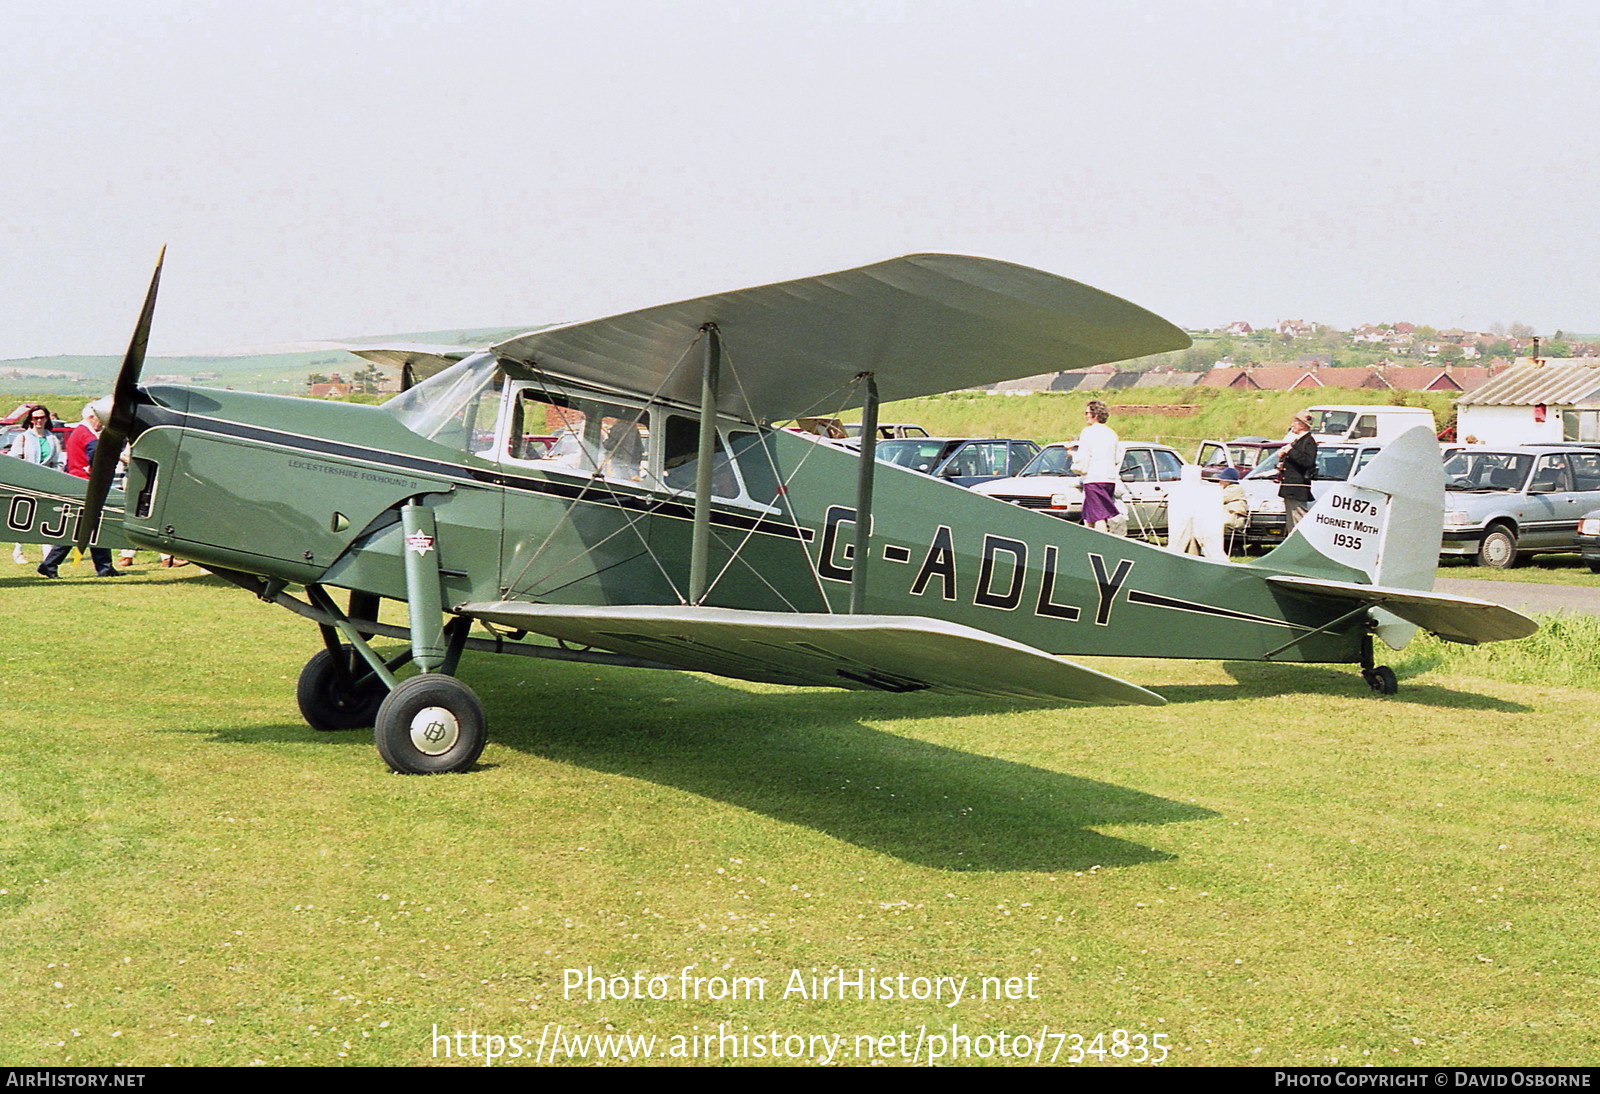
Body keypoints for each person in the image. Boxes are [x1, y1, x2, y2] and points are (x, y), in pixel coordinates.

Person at [38, 399, 119, 578]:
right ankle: (49, 564)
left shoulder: (77, 433)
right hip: (86, 486)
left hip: (78, 483)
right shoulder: (87, 435)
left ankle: (104, 567)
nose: (102, 423)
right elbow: (95, 454)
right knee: (83, 527)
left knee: (93, 527)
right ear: (91, 417)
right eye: (100, 419)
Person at [10, 405, 63, 564]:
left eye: (41, 417)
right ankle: (18, 550)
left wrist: (54, 476)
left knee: (44, 517)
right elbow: (15, 459)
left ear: (46, 419)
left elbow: (58, 461)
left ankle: (47, 555)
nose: (38, 421)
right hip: (26, 482)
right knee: (24, 517)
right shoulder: (23, 437)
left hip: (47, 483)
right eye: (35, 418)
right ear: (31, 420)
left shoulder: (52, 439)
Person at [1074, 399, 1120, 532]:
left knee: (1099, 515)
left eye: (1087, 412)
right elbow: (1117, 458)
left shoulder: (1088, 432)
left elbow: (1083, 456)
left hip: (1094, 478)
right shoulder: (1111, 433)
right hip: (1109, 479)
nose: (1086, 415)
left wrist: (1074, 459)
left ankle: (1102, 544)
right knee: (1090, 516)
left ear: (1094, 414)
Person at [1278, 412, 1319, 534]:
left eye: (1295, 422)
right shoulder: (1298, 441)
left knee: (1299, 519)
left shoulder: (1309, 441)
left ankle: (1301, 543)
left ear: (1302, 424)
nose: (1293, 425)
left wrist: (1290, 451)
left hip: (1298, 487)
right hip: (1290, 487)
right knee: (1291, 520)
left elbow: (1307, 462)